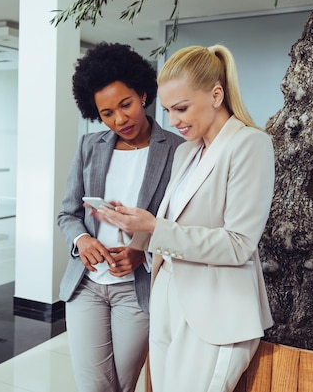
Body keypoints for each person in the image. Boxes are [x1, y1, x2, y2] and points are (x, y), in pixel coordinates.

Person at [94, 44, 275, 392]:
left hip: (216, 311)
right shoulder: (187, 152)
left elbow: (238, 244)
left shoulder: (250, 145)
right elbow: (172, 226)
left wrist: (153, 226)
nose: (173, 121)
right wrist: (132, 224)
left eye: (181, 108)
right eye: (165, 110)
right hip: (167, 300)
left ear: (216, 94)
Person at [57, 42, 183, 392]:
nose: (120, 119)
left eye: (125, 105)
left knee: (122, 386)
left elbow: (180, 223)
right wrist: (82, 240)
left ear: (142, 94)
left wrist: (141, 250)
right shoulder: (89, 147)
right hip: (87, 285)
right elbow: (68, 214)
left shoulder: (177, 150)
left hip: (137, 289)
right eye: (107, 113)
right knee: (93, 386)